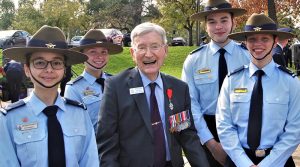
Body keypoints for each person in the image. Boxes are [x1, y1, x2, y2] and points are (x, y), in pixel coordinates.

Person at [97, 22, 209, 167]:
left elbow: (186, 135)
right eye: (141, 47)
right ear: (132, 53)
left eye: (155, 46)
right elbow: (107, 143)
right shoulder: (115, 87)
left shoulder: (179, 88)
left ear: (165, 50)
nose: (148, 54)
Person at [0, 25, 99, 166]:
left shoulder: (80, 113)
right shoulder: (9, 119)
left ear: (64, 69)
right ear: (27, 69)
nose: (49, 69)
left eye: (57, 63)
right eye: (40, 62)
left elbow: (90, 161)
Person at [216, 13, 300, 167]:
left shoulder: (291, 82)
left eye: (265, 39)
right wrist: (244, 163)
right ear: (246, 42)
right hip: (238, 161)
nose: (257, 44)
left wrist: (267, 164)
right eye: (252, 39)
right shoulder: (232, 80)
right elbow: (224, 125)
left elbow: (295, 130)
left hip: (278, 161)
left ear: (275, 42)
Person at [181, 0, 250, 166]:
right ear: (206, 26)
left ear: (233, 22)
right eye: (212, 22)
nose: (218, 26)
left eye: (224, 20)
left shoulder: (248, 56)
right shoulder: (193, 60)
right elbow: (191, 103)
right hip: (206, 131)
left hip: (243, 131)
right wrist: (210, 143)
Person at [64, 29, 123, 132]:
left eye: (103, 52)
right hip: (95, 145)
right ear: (83, 56)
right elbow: (75, 127)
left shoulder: (115, 82)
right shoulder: (74, 89)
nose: (99, 56)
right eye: (93, 52)